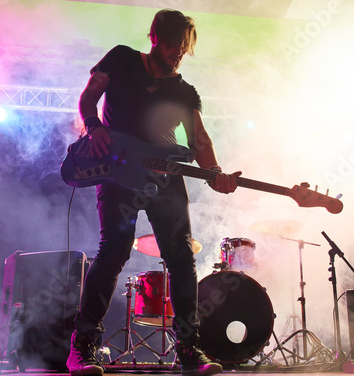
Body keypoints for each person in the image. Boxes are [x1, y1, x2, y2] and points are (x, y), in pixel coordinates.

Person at [66, 9, 241, 376]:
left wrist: (216, 176)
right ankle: (82, 347)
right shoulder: (121, 58)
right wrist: (94, 126)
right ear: (155, 36)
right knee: (113, 250)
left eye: (185, 46)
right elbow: (88, 99)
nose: (180, 51)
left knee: (181, 258)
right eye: (175, 42)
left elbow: (200, 140)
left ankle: (189, 350)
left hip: (164, 176)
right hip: (116, 172)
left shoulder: (184, 91)